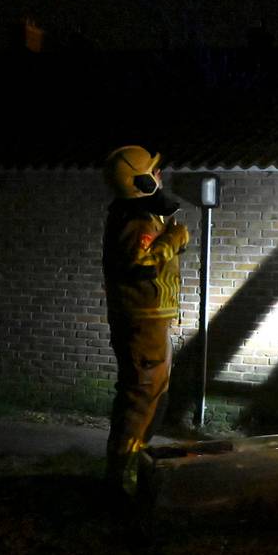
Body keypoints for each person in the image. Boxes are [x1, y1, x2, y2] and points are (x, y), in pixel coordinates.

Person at [101, 145, 189, 497]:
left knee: (152, 400)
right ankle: (119, 483)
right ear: (139, 181)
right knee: (140, 402)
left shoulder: (140, 213)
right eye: (153, 172)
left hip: (150, 323)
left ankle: (132, 471)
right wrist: (173, 238)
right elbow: (141, 265)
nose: (159, 175)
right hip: (142, 325)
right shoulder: (135, 220)